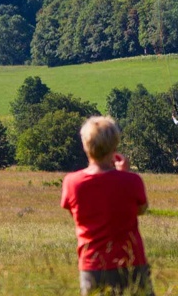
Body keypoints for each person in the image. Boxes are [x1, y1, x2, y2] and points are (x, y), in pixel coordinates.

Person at [61, 115, 154, 296]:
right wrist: (123, 176)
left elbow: (75, 214)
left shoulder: (72, 183)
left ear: (85, 145)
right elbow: (141, 209)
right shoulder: (132, 181)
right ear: (115, 145)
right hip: (131, 262)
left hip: (92, 265)